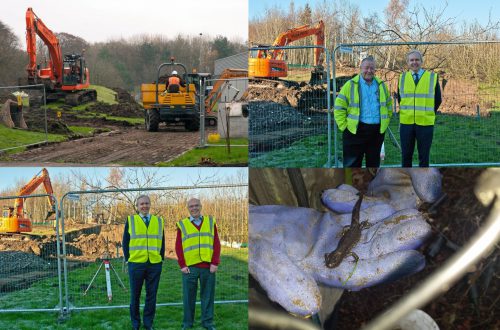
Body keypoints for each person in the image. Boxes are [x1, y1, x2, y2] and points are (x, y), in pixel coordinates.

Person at [249, 168, 443, 327]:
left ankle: (328, 319)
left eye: (333, 261)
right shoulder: (339, 256)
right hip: (260, 307)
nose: (331, 261)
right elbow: (339, 256)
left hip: (350, 230)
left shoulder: (339, 255)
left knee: (327, 309)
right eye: (332, 261)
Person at [334, 56, 393, 167]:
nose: (369, 71)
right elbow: (339, 107)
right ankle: (351, 183)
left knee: (373, 165)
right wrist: (344, 127)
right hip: (355, 131)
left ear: (375, 70)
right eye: (366, 68)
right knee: (352, 165)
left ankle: (372, 183)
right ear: (360, 68)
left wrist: (385, 122)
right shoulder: (350, 85)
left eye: (372, 68)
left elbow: (389, 105)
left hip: (376, 132)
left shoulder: (381, 86)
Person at [175, 198, 220, 330]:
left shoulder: (211, 222)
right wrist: (182, 265)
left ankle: (208, 323)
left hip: (208, 267)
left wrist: (215, 262)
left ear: (201, 206)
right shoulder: (182, 224)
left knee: (208, 297)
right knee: (189, 298)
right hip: (190, 268)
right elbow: (178, 246)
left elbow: (216, 244)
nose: (194, 208)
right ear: (188, 208)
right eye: (191, 206)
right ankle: (188, 324)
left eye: (196, 205)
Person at [122, 195, 165, 330]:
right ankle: (135, 323)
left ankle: (148, 323)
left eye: (146, 203)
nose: (144, 206)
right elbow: (125, 242)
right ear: (137, 206)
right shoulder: (131, 220)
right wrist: (129, 258)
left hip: (154, 264)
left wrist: (161, 258)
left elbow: (162, 242)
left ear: (150, 204)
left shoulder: (158, 221)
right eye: (141, 204)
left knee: (152, 295)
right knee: (135, 295)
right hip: (136, 263)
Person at [397, 49, 442, 167]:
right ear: (407, 63)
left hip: (425, 123)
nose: (414, 62)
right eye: (411, 60)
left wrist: (427, 113)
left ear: (421, 62)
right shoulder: (401, 78)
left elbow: (438, 100)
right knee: (406, 156)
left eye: (417, 60)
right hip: (406, 123)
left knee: (424, 156)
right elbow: (400, 99)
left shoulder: (432, 77)